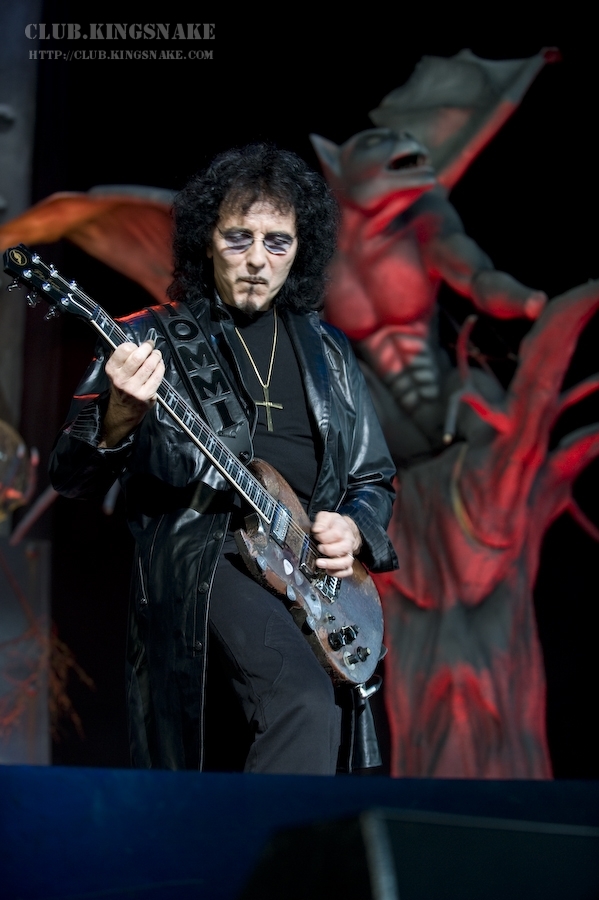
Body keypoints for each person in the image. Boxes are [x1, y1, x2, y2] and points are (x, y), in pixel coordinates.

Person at [49, 144, 398, 775]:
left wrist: (353, 527)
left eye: (277, 242)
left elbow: (372, 478)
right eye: (239, 238)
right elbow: (71, 476)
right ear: (206, 240)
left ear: (300, 250)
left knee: (323, 732)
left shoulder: (330, 353)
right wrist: (121, 414)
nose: (258, 259)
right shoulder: (148, 338)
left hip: (314, 580)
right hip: (210, 560)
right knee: (300, 703)